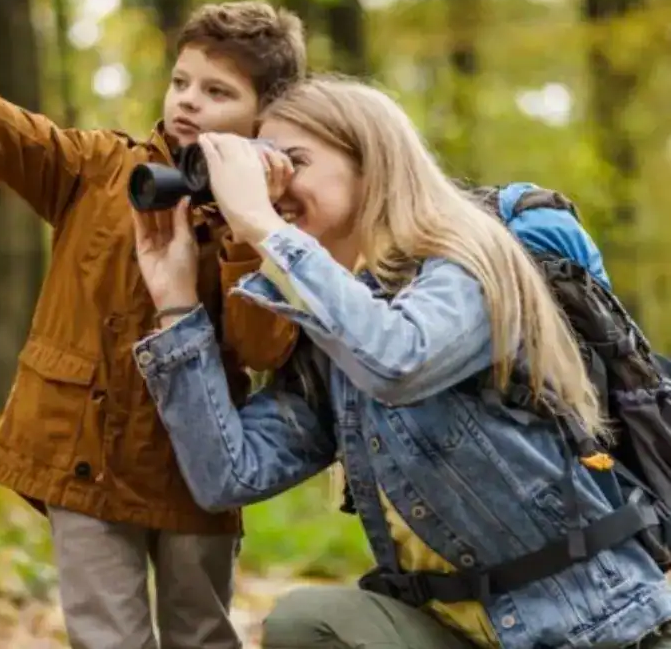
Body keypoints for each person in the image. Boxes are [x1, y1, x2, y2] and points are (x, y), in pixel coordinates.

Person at [0, 1, 305, 649]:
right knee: (105, 637)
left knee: (201, 632)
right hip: (84, 455)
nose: (188, 101)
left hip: (195, 469)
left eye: (217, 92)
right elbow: (10, 132)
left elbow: (263, 344)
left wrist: (251, 224)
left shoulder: (272, 223)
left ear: (262, 114)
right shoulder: (102, 170)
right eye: (181, 81)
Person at [130, 74, 671, 649]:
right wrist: (176, 306)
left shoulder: (472, 263)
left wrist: (262, 227)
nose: (275, 184)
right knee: (305, 624)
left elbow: (399, 361)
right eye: (264, 167)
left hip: (589, 630)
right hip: (455, 630)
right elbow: (229, 474)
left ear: (373, 165)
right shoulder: (334, 338)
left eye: (293, 161)